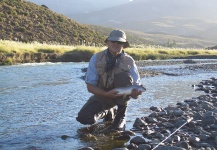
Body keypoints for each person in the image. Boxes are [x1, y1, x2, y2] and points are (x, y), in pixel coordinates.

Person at [76, 29, 143, 131]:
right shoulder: (96, 58)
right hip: (102, 95)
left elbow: (136, 86)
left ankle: (121, 116)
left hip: (122, 97)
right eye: (113, 41)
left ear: (124, 45)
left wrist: (136, 94)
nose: (116, 44)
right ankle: (108, 112)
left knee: (124, 76)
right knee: (83, 118)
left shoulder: (129, 61)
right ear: (107, 42)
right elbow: (90, 86)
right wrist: (107, 94)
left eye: (119, 42)